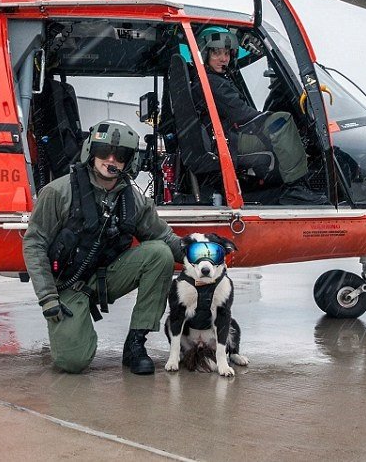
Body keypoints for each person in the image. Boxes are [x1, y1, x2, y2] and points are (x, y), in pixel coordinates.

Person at [23, 119, 182, 374]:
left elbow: (164, 237)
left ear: (128, 160)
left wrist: (199, 256)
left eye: (120, 155)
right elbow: (34, 242)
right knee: (72, 363)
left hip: (107, 278)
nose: (111, 159)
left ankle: (135, 344)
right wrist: (47, 298)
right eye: (103, 152)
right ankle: (75, 329)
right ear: (90, 152)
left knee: (159, 254)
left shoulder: (134, 199)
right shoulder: (58, 192)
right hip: (68, 285)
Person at [196, 26, 325, 204]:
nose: (223, 59)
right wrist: (266, 118)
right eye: (217, 53)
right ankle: (296, 187)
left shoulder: (210, 79)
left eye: (226, 53)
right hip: (229, 140)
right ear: (205, 53)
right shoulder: (214, 82)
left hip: (224, 137)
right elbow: (242, 115)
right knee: (283, 122)